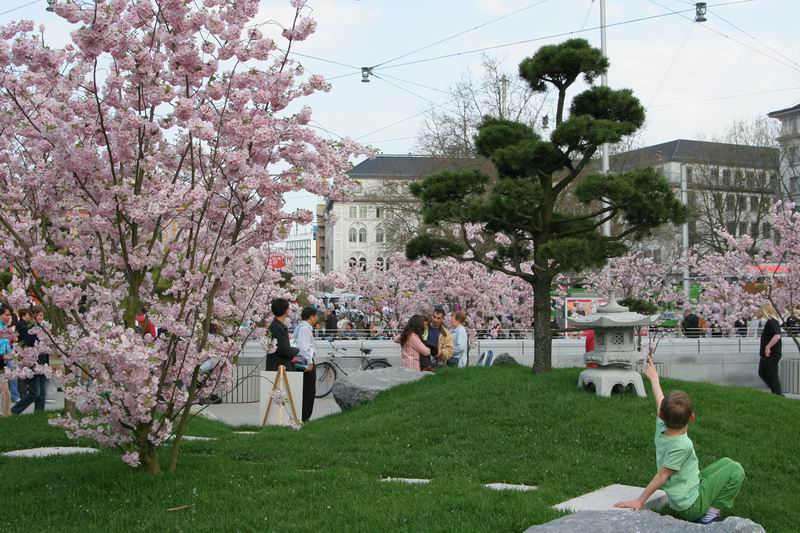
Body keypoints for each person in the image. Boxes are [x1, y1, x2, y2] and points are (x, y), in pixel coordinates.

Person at [615, 355, 745, 524]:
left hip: (689, 489)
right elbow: (662, 476)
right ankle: (709, 516)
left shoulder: (662, 427)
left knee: (726, 462)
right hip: (690, 506)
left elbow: (660, 401)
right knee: (736, 470)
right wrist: (640, 500)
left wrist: (654, 378)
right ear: (692, 418)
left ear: (662, 415)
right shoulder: (682, 445)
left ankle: (705, 506)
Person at [11, 306, 49, 415]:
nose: (41, 318)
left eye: (42, 315)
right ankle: (15, 410)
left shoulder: (44, 328)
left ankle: (38, 415)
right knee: (34, 392)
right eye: (38, 315)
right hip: (33, 363)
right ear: (33, 317)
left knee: (42, 393)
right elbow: (27, 347)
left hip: (43, 362)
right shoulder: (29, 329)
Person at [294, 307, 317, 422]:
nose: (316, 318)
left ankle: (303, 415)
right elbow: (303, 347)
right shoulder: (304, 329)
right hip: (305, 362)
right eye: (315, 316)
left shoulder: (301, 327)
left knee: (306, 390)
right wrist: (310, 362)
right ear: (311, 316)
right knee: (308, 390)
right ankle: (304, 416)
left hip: (302, 361)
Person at [266, 298, 300, 372]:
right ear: (285, 310)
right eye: (288, 308)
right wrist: (297, 350)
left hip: (279, 366)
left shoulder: (276, 325)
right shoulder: (277, 327)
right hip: (279, 368)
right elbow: (284, 350)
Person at [758, 304, 783, 396]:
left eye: (761, 309)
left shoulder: (772, 321)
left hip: (771, 354)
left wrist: (767, 347)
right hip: (766, 354)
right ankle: (775, 391)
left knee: (772, 376)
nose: (760, 311)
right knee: (762, 373)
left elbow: (777, 335)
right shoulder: (770, 322)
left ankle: (778, 395)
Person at [0, 303, 19, 406]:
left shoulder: (4, 327)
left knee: (5, 391)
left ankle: (6, 418)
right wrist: (4, 356)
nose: (9, 317)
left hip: (3, 362)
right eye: (6, 315)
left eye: (10, 315)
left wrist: (12, 339)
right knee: (4, 391)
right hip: (2, 359)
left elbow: (5, 344)